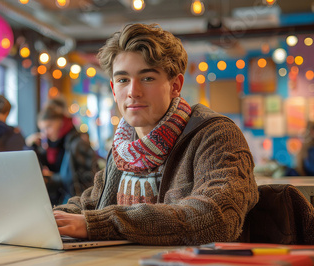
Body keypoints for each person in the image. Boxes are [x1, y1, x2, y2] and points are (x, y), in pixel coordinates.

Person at [52, 23, 259, 245]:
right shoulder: (124, 147)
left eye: (147, 78)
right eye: (123, 80)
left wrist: (99, 223)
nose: (133, 92)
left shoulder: (216, 135)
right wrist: (46, 217)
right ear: (113, 89)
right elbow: (93, 202)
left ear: (175, 85)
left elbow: (216, 217)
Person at [28, 99, 98, 205]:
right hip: (59, 201)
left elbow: (88, 180)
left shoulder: (77, 143)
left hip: (77, 204)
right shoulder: (52, 146)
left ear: (60, 122)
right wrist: (32, 146)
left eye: (48, 127)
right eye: (42, 129)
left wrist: (51, 177)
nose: (45, 133)